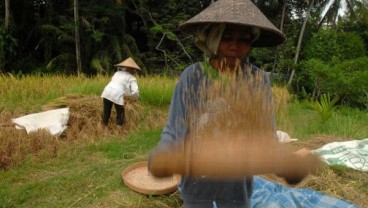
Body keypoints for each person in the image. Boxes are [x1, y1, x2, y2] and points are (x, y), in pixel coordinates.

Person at [148, 0, 319, 207]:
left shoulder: (257, 80)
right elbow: (175, 129)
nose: (235, 46)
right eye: (226, 38)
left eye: (243, 40)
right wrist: (165, 152)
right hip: (196, 182)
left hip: (237, 185)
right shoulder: (193, 77)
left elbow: (265, 133)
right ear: (212, 38)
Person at [101, 57, 140, 126]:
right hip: (117, 94)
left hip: (107, 91)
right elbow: (135, 92)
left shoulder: (117, 73)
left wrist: (126, 94)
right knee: (120, 114)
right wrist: (134, 99)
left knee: (106, 113)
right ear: (132, 69)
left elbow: (119, 85)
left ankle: (103, 129)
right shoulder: (132, 78)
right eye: (133, 70)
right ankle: (119, 131)